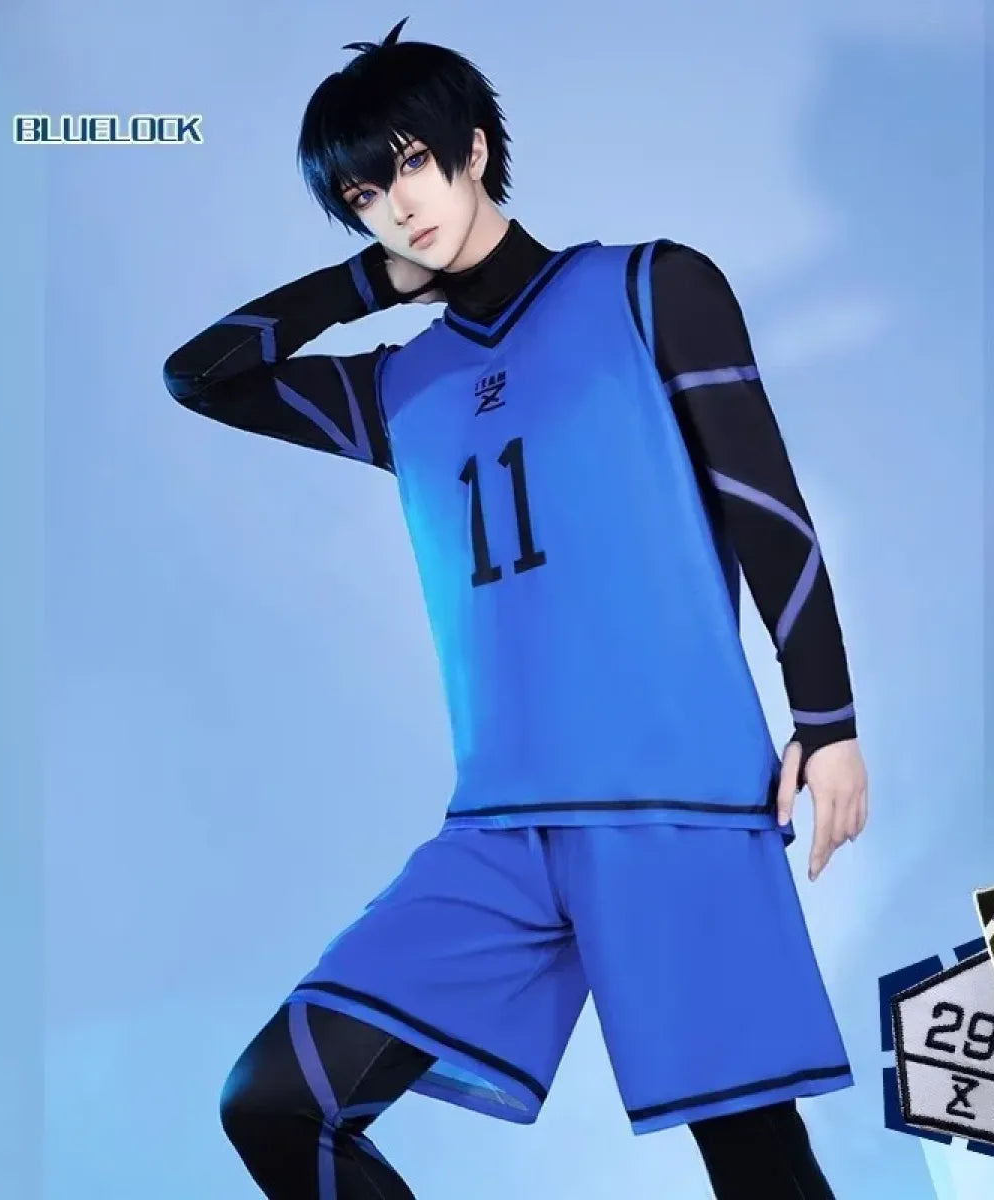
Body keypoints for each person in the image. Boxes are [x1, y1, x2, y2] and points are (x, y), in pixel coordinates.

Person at [163, 18, 869, 1199]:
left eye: (409, 163)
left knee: (756, 1160)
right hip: (498, 829)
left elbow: (767, 510)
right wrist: (365, 284)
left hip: (677, 804)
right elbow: (200, 375)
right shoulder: (400, 386)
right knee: (274, 1103)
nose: (397, 204)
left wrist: (830, 722)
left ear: (474, 149)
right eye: (363, 194)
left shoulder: (651, 289)